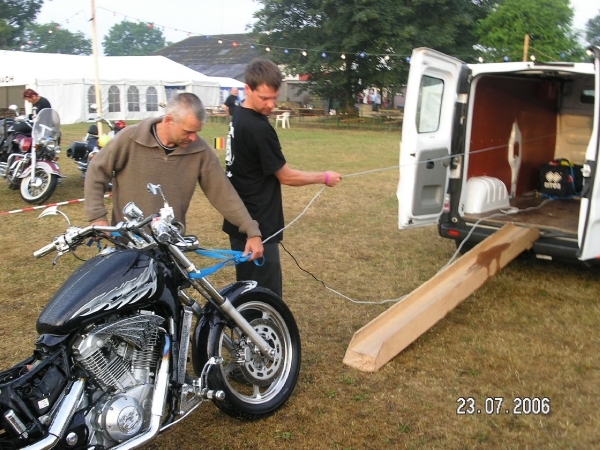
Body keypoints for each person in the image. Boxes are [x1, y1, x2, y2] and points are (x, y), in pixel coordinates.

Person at [84, 92, 263, 261]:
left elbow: (223, 193)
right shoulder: (129, 138)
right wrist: (97, 216)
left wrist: (251, 229)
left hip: (170, 247)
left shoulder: (200, 150)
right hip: (127, 246)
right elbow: (96, 171)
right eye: (188, 131)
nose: (193, 138)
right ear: (169, 120)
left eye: (197, 132)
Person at [223, 59, 342, 299]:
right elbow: (286, 176)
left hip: (239, 218)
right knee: (264, 294)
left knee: (247, 288)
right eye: (264, 98)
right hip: (257, 223)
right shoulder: (258, 128)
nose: (271, 105)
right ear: (249, 89)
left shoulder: (238, 113)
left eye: (274, 98)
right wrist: (324, 176)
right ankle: (263, 335)